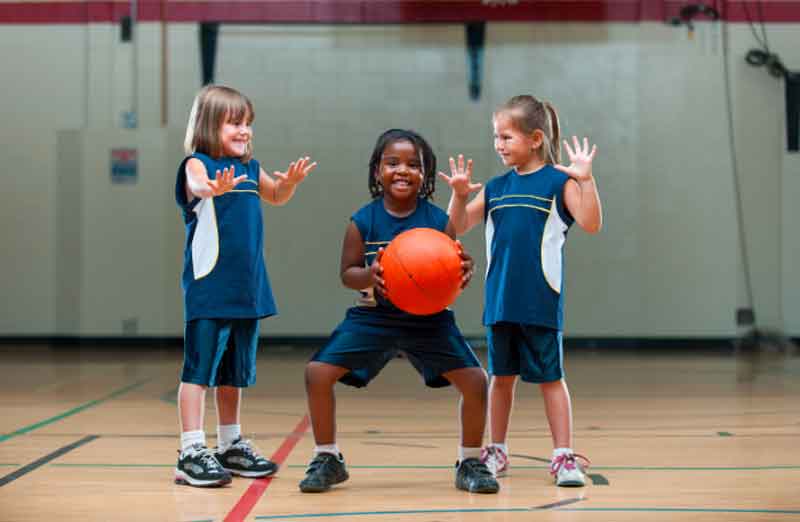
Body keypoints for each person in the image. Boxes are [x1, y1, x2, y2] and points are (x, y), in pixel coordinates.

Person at [298, 129, 499, 494]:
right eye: (392, 163)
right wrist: (369, 275)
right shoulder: (363, 220)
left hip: (429, 320)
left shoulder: (439, 222)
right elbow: (347, 273)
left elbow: (455, 268)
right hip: (375, 317)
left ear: (425, 174)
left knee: (476, 381)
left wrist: (462, 271)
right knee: (317, 373)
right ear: (377, 171)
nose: (402, 170)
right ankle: (327, 457)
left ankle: (470, 460)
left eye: (413, 164)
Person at [440, 95, 602, 487]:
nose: (498, 144)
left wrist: (586, 178)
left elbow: (592, 222)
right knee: (501, 379)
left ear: (534, 138)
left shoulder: (558, 183)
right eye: (496, 136)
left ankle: (563, 456)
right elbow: (456, 228)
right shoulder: (496, 187)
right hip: (499, 301)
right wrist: (460, 195)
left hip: (541, 301)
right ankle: (496, 449)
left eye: (506, 136)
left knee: (551, 379)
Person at [174, 84, 317, 487]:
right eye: (235, 123)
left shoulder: (252, 169)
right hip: (210, 290)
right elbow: (198, 184)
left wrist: (290, 183)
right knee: (199, 372)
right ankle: (190, 450)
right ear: (208, 125)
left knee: (233, 374)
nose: (245, 131)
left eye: (248, 123)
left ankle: (230, 444)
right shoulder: (197, 164)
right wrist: (210, 189)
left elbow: (276, 196)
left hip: (248, 290)